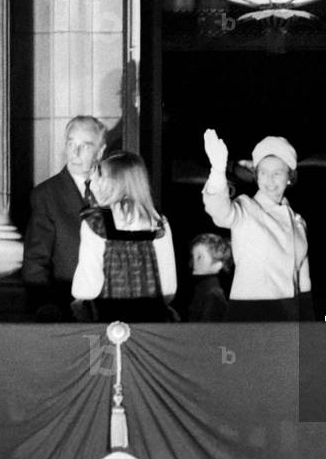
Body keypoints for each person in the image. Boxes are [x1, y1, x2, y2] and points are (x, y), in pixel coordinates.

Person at [202, 129, 313, 321]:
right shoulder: (247, 207)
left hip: (288, 315)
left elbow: (303, 278)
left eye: (277, 173)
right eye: (263, 172)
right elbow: (221, 212)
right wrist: (218, 172)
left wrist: (309, 323)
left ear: (289, 176)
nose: (269, 180)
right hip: (250, 313)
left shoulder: (297, 221)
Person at [71, 151, 177, 322]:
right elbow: (168, 288)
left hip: (108, 319)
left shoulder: (95, 222)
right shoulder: (159, 223)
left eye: (100, 177)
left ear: (115, 182)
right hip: (151, 320)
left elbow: (88, 287)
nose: (94, 183)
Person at [22, 115, 107, 321]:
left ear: (101, 151)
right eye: (71, 144)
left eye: (85, 146)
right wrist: (46, 307)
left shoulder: (114, 187)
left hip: (111, 306)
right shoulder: (46, 194)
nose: (75, 153)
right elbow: (36, 259)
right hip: (66, 308)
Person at [187, 232, 231, 322]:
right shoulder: (203, 290)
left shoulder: (213, 296)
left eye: (200, 257)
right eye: (193, 256)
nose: (192, 263)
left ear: (217, 265)